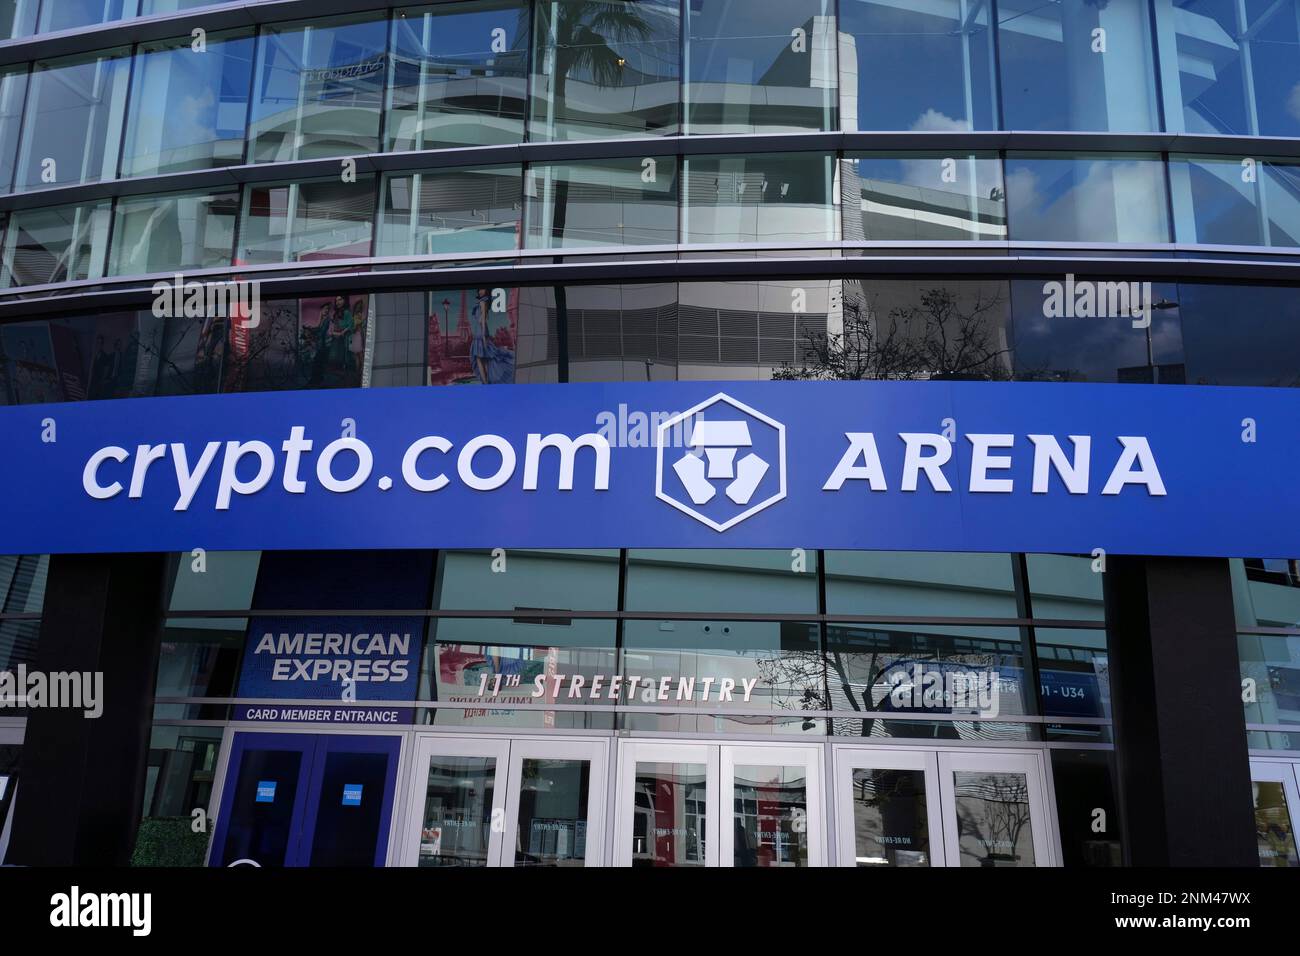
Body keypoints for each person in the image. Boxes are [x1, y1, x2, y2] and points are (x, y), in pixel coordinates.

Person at [470, 288, 515, 385]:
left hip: (480, 332)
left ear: (486, 292)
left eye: (483, 290)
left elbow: (483, 320)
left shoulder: (482, 302)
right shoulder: (482, 302)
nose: (481, 291)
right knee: (484, 357)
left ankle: (485, 381)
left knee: (479, 358)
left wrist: (483, 336)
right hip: (479, 331)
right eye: (480, 290)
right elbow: (482, 319)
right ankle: (486, 380)